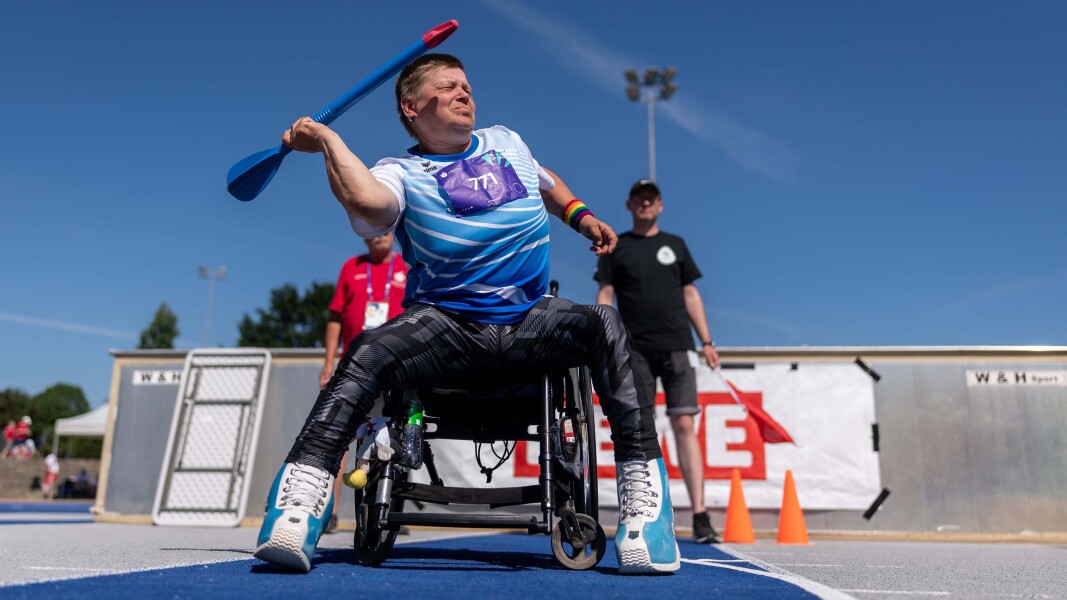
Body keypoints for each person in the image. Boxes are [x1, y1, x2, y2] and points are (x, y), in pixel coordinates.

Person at [253, 53, 678, 575]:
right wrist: (327, 142)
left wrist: (581, 217)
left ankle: (646, 510)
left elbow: (545, 182)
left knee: (605, 324)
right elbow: (369, 206)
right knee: (367, 348)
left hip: (529, 322)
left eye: (468, 87)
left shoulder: (508, 141)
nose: (465, 94)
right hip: (446, 328)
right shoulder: (399, 172)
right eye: (449, 86)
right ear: (411, 107)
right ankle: (299, 503)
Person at [595, 179, 723, 544]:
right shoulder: (617, 248)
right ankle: (649, 512)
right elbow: (605, 293)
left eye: (651, 198)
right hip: (634, 349)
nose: (645, 203)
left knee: (684, 423)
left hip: (678, 345)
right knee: (640, 427)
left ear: (660, 205)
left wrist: (707, 340)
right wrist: (605, 335)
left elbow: (690, 293)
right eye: (639, 198)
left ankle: (700, 514)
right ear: (629, 204)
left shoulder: (675, 245)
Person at [319, 231, 408, 533]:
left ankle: (390, 507)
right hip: (354, 364)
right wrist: (328, 362)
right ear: (365, 236)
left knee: (394, 434)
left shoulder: (405, 268)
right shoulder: (351, 268)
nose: (380, 235)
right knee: (340, 435)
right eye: (373, 231)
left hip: (394, 365)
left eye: (385, 229)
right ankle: (326, 510)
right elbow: (334, 317)